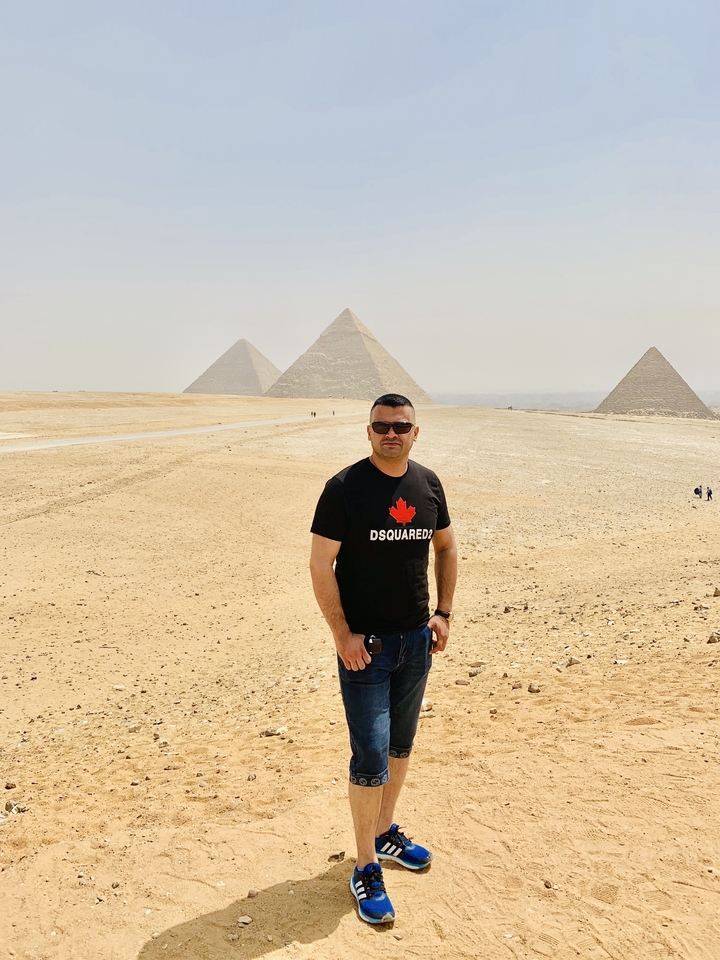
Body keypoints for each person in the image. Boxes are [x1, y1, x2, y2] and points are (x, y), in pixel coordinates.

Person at [310, 393, 457, 925]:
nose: (390, 433)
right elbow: (320, 565)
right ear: (367, 432)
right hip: (365, 649)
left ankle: (385, 832)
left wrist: (442, 612)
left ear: (416, 432)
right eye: (380, 426)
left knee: (399, 746)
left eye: (400, 426)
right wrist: (343, 634)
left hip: (416, 641)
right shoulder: (344, 489)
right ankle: (365, 865)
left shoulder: (428, 483)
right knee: (369, 755)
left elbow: (444, 546)